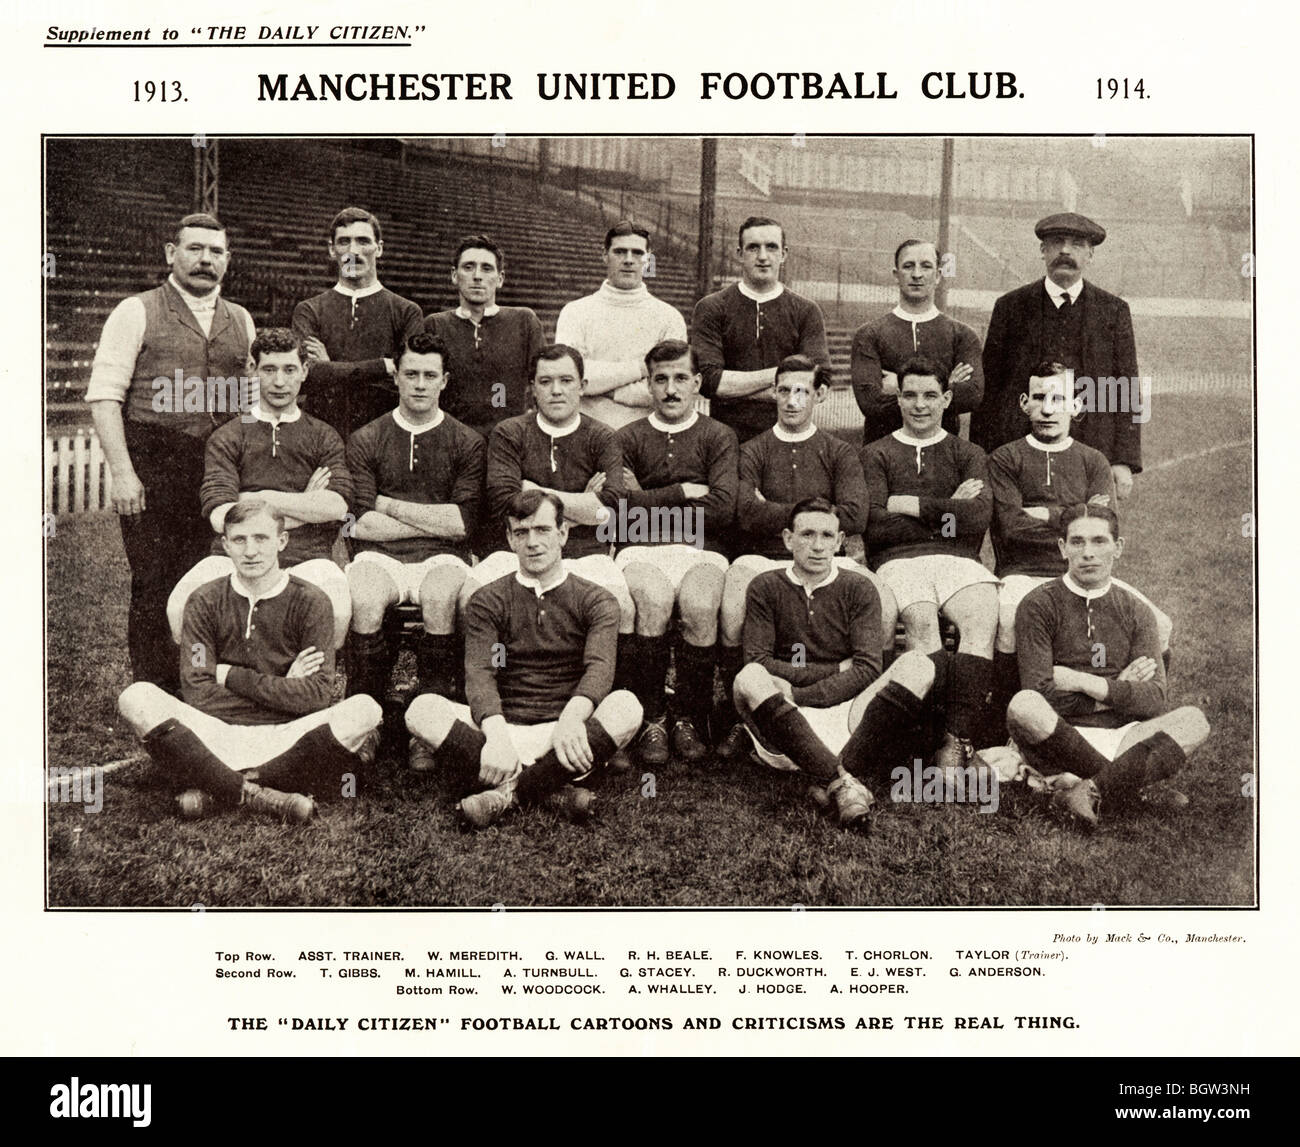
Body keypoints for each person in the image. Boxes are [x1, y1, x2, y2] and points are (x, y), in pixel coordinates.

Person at [116, 501, 383, 823]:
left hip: (288, 734)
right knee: (137, 696)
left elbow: (316, 696)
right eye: (240, 540)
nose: (251, 551)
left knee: (365, 709)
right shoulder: (204, 601)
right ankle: (260, 792)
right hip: (219, 733)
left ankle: (217, 787)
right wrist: (285, 686)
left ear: (281, 542)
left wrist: (229, 676)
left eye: (261, 538)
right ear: (225, 545)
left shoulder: (313, 602)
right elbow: (197, 691)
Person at [87, 212, 256, 694]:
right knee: (155, 581)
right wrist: (122, 473)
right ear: (171, 254)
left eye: (216, 251)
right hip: (155, 462)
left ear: (228, 259)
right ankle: (154, 692)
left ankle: (205, 684)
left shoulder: (240, 318)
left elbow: (247, 398)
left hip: (219, 468)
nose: (205, 260)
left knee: (219, 577)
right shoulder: (135, 310)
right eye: (195, 249)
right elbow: (104, 396)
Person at [405, 490, 643, 829]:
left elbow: (600, 668)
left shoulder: (597, 599)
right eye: (521, 532)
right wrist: (498, 737)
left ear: (563, 533)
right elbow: (480, 673)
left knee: (627, 707)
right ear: (509, 539)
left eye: (543, 530)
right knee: (421, 709)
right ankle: (550, 788)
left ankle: (507, 793)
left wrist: (571, 721)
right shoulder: (488, 599)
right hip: (502, 727)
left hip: (565, 730)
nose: (532, 542)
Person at [716, 354, 897, 759]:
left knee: (882, 600)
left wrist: (777, 508)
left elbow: (855, 515)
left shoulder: (839, 451)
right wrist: (819, 509)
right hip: (764, 556)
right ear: (773, 393)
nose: (792, 400)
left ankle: (859, 706)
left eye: (802, 391)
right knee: (734, 596)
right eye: (784, 390)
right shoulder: (752, 451)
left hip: (826, 554)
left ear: (820, 394)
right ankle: (740, 717)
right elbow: (744, 513)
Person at [733, 497, 940, 826]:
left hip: (847, 718)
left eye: (827, 536)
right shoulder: (766, 586)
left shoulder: (858, 587)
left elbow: (868, 668)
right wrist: (836, 669)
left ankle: (832, 779)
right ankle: (846, 782)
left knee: (919, 663)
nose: (817, 546)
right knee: (749, 677)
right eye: (807, 535)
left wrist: (802, 693)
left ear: (840, 542)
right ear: (788, 539)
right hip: (782, 722)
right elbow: (758, 659)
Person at [1007, 503, 1209, 824]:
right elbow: (1041, 693)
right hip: (1061, 736)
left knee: (1194, 720)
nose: (1088, 553)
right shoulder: (1038, 604)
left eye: (1099, 541)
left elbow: (1154, 699)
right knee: (1024, 706)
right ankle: (1126, 789)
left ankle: (1088, 789)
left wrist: (1083, 681)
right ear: (1063, 548)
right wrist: (1119, 691)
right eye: (1077, 542)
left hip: (1123, 737)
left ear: (1118, 548)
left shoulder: (1137, 610)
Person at [166, 328, 353, 652]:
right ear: (252, 369)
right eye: (269, 369)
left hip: (306, 558)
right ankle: (205, 686)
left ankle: (308, 692)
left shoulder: (324, 436)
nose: (279, 381)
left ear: (305, 371)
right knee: (181, 603)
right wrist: (304, 506)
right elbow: (222, 515)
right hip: (234, 555)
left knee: (336, 605)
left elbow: (336, 507)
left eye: (289, 369)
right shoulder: (229, 436)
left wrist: (258, 498)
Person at [862, 354, 998, 771]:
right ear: (898, 400)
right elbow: (876, 527)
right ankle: (922, 737)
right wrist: (947, 510)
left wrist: (909, 505)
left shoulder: (969, 452)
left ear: (947, 399)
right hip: (897, 561)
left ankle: (955, 741)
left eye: (930, 395)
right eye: (910, 395)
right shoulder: (876, 453)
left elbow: (977, 519)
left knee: (981, 617)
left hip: (959, 560)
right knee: (921, 627)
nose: (920, 405)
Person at [344, 332, 486, 722]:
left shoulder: (468, 441)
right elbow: (360, 525)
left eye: (429, 375)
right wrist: (432, 521)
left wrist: (388, 505)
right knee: (365, 597)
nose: (420, 384)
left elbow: (460, 525)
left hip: (444, 557)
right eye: (411, 374)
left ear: (445, 380)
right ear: (396, 378)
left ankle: (432, 715)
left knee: (441, 597)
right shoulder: (365, 438)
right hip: (378, 556)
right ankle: (366, 716)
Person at [988, 362, 1172, 662]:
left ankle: (1140, 706)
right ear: (1025, 403)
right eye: (1039, 398)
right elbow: (1012, 529)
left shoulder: (1094, 461)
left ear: (1075, 405)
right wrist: (1078, 518)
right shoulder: (1004, 459)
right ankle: (1006, 706)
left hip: (1087, 575)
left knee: (1160, 625)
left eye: (1058, 399)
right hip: (1024, 574)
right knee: (1009, 620)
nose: (1048, 410)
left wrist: (1045, 515)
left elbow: (1105, 530)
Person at [614, 340, 737, 764]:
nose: (671, 389)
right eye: (661, 379)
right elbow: (618, 509)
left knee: (701, 605)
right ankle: (651, 719)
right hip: (639, 547)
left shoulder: (719, 435)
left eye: (680, 378)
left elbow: (720, 510)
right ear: (648, 384)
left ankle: (689, 716)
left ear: (698, 383)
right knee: (653, 599)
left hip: (703, 547)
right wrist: (683, 492)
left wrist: (646, 500)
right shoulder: (626, 437)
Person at [972, 212, 1142, 499]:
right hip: (1019, 452)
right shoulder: (1011, 307)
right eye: (1056, 242)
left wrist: (1124, 460)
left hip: (1090, 452)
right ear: (1043, 250)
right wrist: (981, 457)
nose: (1065, 250)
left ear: (1090, 254)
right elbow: (990, 388)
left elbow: (1126, 387)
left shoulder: (1113, 310)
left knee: (1084, 534)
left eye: (1076, 244)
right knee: (1020, 531)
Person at [475, 344, 632, 631]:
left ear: (582, 386)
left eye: (566, 381)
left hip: (585, 553)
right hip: (516, 553)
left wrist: (535, 491)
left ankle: (606, 677)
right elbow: (504, 504)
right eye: (545, 382)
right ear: (532, 388)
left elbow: (610, 513)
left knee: (622, 606)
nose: (556, 390)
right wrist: (583, 503)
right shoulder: (509, 433)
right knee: (470, 598)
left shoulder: (603, 436)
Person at [691, 215, 831, 444]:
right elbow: (708, 380)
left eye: (771, 247)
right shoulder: (711, 307)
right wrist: (784, 376)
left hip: (789, 440)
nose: (763, 256)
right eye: (753, 247)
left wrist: (736, 391)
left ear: (784, 254)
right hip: (727, 441)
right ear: (739, 254)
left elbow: (820, 379)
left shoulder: (806, 310)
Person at [292, 206, 424, 437]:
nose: (353, 251)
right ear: (332, 250)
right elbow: (308, 376)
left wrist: (330, 367)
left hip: (386, 437)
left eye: (363, 241)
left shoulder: (407, 311)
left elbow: (409, 378)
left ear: (379, 248)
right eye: (344, 242)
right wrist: (382, 366)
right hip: (322, 436)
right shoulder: (309, 309)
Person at [555, 220, 689, 430]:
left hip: (647, 436)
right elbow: (570, 377)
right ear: (604, 255)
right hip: (585, 433)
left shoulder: (669, 317)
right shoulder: (575, 312)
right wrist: (641, 368)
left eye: (637, 253)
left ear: (648, 259)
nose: (628, 260)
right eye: (619, 252)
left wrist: (604, 388)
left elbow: (669, 388)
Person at [851, 238, 984, 445]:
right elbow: (870, 403)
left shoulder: (962, 335)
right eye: (908, 266)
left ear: (939, 275)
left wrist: (900, 386)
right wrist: (947, 385)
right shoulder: (869, 334)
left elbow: (972, 395)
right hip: (882, 451)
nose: (917, 274)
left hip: (943, 453)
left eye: (926, 266)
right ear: (896, 275)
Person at [423, 234, 545, 440]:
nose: (477, 276)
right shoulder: (435, 324)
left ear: (500, 279)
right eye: (468, 267)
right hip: (452, 443)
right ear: (454, 275)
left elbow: (544, 382)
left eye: (486, 268)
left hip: (509, 442)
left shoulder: (524, 321)